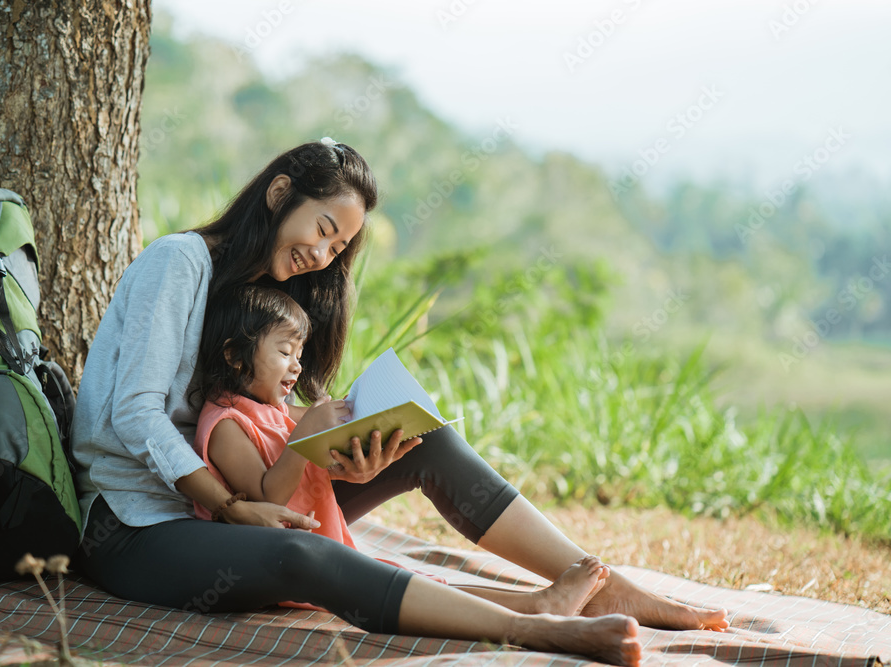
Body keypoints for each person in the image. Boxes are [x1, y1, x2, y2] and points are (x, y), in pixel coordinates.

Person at [72, 140, 726, 665]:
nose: (321, 254)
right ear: (280, 194)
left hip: (241, 489)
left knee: (428, 442)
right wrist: (233, 506)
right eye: (323, 228)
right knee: (301, 557)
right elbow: (136, 414)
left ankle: (599, 581)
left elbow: (260, 425)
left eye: (337, 247)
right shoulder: (180, 262)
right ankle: (532, 623)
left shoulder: (264, 298)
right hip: (140, 520)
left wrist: (339, 459)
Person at [192, 282, 611, 617]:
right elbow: (266, 501)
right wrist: (304, 441)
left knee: (402, 578)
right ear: (234, 355)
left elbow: (312, 455)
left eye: (299, 354)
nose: (298, 367)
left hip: (312, 542)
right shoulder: (226, 424)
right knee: (404, 585)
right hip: (276, 560)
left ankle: (541, 601)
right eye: (285, 352)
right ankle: (540, 606)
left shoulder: (271, 409)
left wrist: (357, 440)